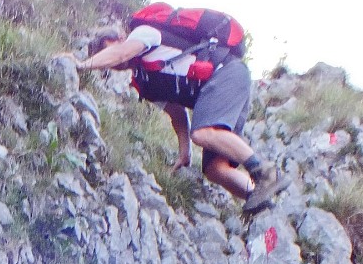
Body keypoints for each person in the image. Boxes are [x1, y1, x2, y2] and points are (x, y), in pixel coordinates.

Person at [70, 16, 288, 213]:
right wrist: (185, 153)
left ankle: (266, 173)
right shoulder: (145, 83)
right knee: (214, 169)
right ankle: (262, 204)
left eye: (108, 52)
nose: (117, 63)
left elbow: (122, 52)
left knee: (203, 133)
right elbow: (176, 114)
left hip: (226, 72)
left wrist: (82, 65)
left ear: (120, 38)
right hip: (225, 86)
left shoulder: (144, 33)